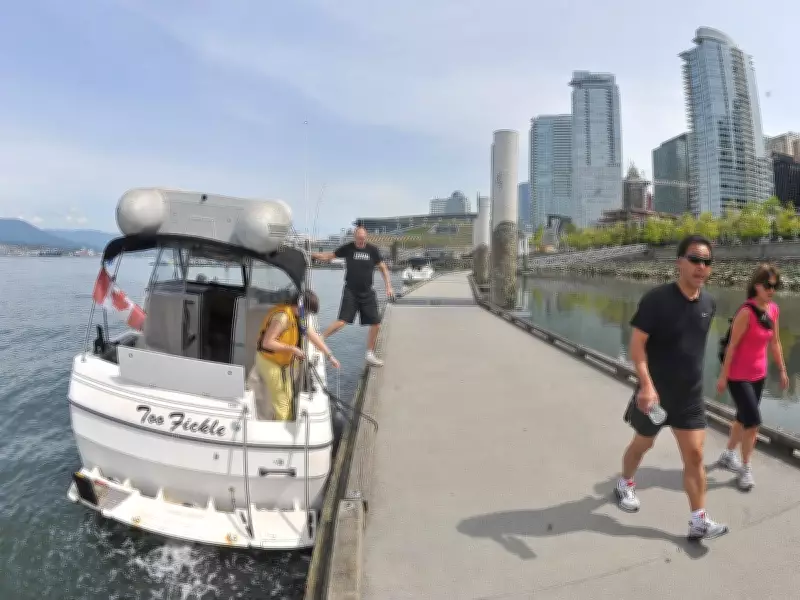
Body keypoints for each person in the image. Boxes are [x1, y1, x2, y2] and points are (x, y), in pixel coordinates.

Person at [616, 234, 729, 541]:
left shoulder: (709, 303)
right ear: (679, 262)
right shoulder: (657, 300)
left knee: (694, 457)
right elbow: (637, 346)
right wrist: (646, 386)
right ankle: (624, 482)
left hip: (690, 398)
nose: (701, 267)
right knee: (642, 445)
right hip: (654, 397)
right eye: (694, 259)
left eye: (707, 262)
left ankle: (698, 520)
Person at [716, 263, 788, 490]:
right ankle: (745, 468)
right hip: (739, 376)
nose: (771, 290)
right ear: (756, 285)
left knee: (742, 418)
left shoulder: (773, 310)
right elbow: (732, 347)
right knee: (753, 423)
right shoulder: (746, 312)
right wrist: (722, 376)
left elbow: (775, 342)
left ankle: (728, 454)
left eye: (775, 286)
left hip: (759, 374)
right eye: (768, 286)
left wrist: (783, 369)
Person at [311, 226, 394, 367]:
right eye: (359, 238)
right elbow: (329, 256)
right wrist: (312, 255)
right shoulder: (348, 248)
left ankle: (369, 354)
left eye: (363, 238)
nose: (361, 241)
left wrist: (388, 286)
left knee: (376, 323)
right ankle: (319, 339)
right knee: (342, 322)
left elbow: (383, 267)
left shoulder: (372, 250)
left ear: (366, 237)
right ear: (355, 237)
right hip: (351, 291)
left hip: (367, 292)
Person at [256, 289, 340, 421]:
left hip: (283, 362)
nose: (307, 315)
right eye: (308, 311)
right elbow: (267, 343)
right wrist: (293, 349)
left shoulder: (298, 316)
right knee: (282, 402)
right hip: (269, 362)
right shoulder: (282, 317)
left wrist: (330, 355)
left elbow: (312, 335)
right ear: (300, 305)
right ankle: (283, 430)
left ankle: (283, 420)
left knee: (288, 395)